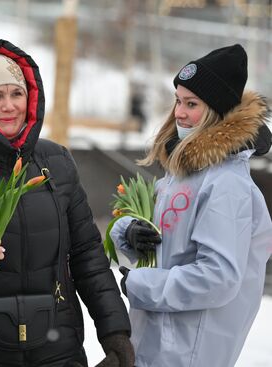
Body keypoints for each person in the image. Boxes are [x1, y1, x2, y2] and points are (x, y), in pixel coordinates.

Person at [0, 39, 134, 367]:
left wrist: (114, 331)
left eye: (17, 94)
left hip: (55, 348)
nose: (9, 106)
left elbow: (87, 255)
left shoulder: (56, 162)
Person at [111, 44, 272, 367]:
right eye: (177, 101)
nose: (179, 113)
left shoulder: (226, 185)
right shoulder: (183, 174)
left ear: (216, 111)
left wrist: (142, 285)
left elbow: (218, 277)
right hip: (155, 343)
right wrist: (128, 231)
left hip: (188, 351)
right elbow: (162, 243)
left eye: (191, 104)